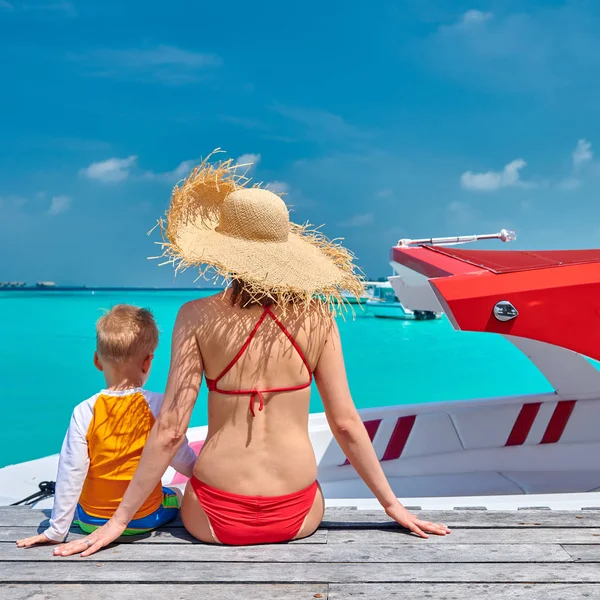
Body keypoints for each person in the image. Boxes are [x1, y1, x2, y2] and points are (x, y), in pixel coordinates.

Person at [53, 152, 450, 556]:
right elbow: (345, 424)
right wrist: (392, 505)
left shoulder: (196, 317)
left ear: (224, 251)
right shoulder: (318, 317)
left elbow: (171, 430)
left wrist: (118, 522)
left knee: (174, 493)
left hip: (212, 515)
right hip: (297, 515)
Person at [16, 305, 197, 548]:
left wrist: (57, 530)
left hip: (90, 520)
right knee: (175, 494)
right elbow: (182, 460)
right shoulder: (158, 405)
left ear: (97, 361)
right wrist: (206, 478)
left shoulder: (84, 411)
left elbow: (71, 472)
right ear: (148, 362)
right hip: (143, 519)